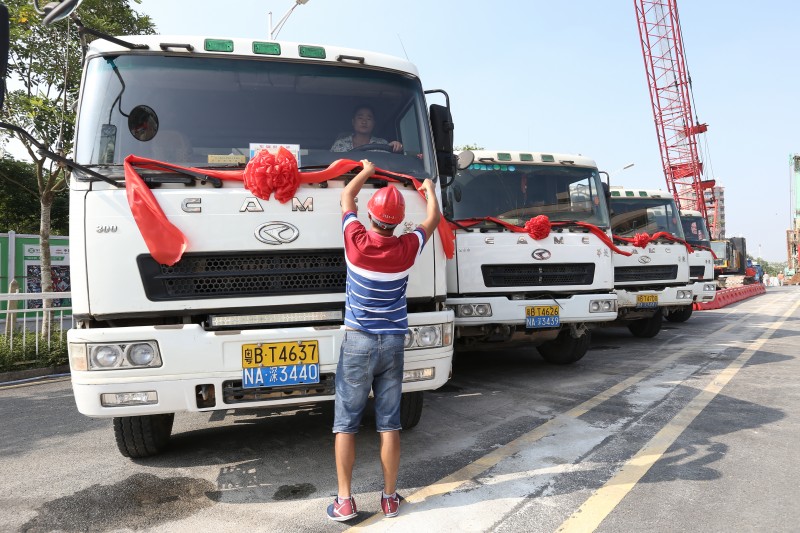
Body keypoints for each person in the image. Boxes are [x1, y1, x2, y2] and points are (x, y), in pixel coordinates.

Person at [327, 159, 440, 522]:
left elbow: (346, 196)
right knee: (389, 422)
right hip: (392, 342)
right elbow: (433, 219)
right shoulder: (407, 247)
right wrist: (429, 191)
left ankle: (344, 502)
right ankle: (390, 499)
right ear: (398, 221)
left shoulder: (356, 240)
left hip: (357, 341)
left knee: (346, 423)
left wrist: (366, 170)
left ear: (371, 216)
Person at [330, 105, 403, 153]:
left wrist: (395, 146)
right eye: (360, 118)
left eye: (368, 119)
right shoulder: (340, 144)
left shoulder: (382, 144)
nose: (364, 122)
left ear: (374, 123)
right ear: (353, 122)